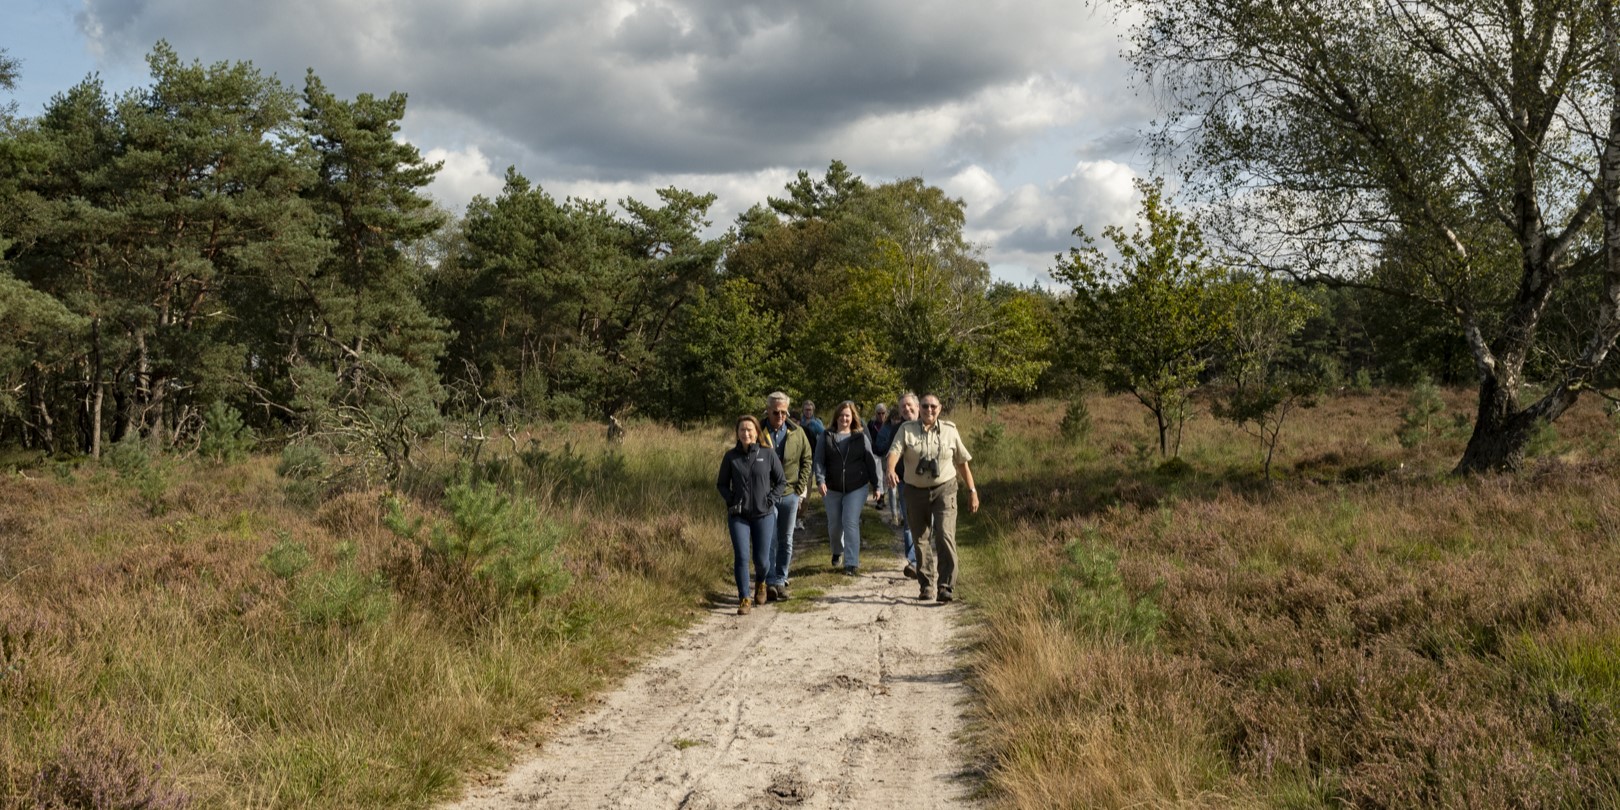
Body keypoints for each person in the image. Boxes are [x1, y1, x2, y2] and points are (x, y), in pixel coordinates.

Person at [885, 394, 979, 603]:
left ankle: (945, 586)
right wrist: (890, 469)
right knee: (920, 539)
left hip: (944, 488)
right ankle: (926, 585)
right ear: (919, 408)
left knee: (945, 535)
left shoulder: (950, 431)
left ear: (940, 408)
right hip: (915, 490)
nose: (929, 410)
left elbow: (962, 462)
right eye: (925, 406)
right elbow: (895, 451)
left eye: (933, 406)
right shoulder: (906, 429)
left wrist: (972, 491)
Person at [716, 415, 784, 615]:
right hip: (739, 516)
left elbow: (781, 482)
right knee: (742, 556)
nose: (745, 433)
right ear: (737, 433)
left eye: (749, 430)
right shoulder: (730, 457)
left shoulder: (768, 454)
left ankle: (761, 583)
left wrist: (770, 499)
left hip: (764, 515)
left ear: (757, 432)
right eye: (742, 430)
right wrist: (731, 499)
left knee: (762, 561)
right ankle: (744, 597)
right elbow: (721, 484)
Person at [815, 400, 882, 575]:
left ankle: (851, 563)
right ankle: (837, 550)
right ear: (836, 417)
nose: (844, 418)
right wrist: (820, 480)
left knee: (850, 521)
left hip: (856, 486)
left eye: (848, 416)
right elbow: (819, 461)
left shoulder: (860, 437)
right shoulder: (826, 436)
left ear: (853, 418)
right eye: (842, 415)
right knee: (835, 526)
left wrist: (877, 485)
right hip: (832, 488)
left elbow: (870, 462)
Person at [763, 392, 813, 601]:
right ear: (768, 411)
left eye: (784, 412)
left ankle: (781, 579)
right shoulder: (758, 431)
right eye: (776, 412)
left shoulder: (797, 432)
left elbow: (806, 460)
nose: (781, 416)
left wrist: (799, 488)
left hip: (790, 494)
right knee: (770, 539)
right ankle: (770, 581)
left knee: (787, 539)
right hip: (766, 496)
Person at [866, 403, 895, 510]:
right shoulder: (871, 424)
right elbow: (868, 437)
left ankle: (884, 495)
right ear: (875, 413)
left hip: (887, 453)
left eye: (883, 413)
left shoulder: (889, 425)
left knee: (886, 476)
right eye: (879, 413)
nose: (881, 415)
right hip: (875, 453)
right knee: (878, 475)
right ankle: (880, 499)